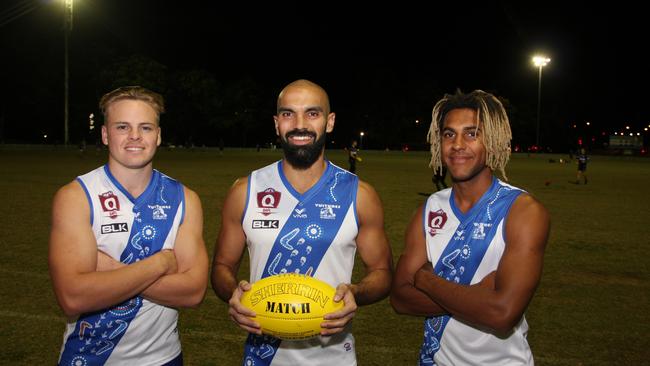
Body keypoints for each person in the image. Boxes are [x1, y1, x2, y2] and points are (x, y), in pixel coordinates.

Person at [211, 79, 392, 366]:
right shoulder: (245, 191)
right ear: (276, 123)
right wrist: (233, 292)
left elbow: (382, 272)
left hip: (334, 357)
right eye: (287, 114)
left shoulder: (360, 195)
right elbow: (221, 266)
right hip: (262, 356)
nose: (299, 124)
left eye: (312, 113)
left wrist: (356, 292)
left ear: (329, 122)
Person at [49, 86, 208, 366]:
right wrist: (159, 264)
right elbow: (73, 297)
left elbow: (193, 292)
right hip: (88, 359)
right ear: (105, 134)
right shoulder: (76, 197)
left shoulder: (185, 199)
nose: (135, 136)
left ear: (158, 136)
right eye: (122, 126)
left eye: (145, 127)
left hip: (164, 359)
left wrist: (110, 270)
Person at [390, 90, 550, 365]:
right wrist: (477, 297)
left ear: (493, 141)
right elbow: (401, 298)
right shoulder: (429, 210)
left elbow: (502, 314)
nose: (458, 144)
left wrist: (427, 281)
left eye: (472, 134)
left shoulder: (523, 211)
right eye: (449, 134)